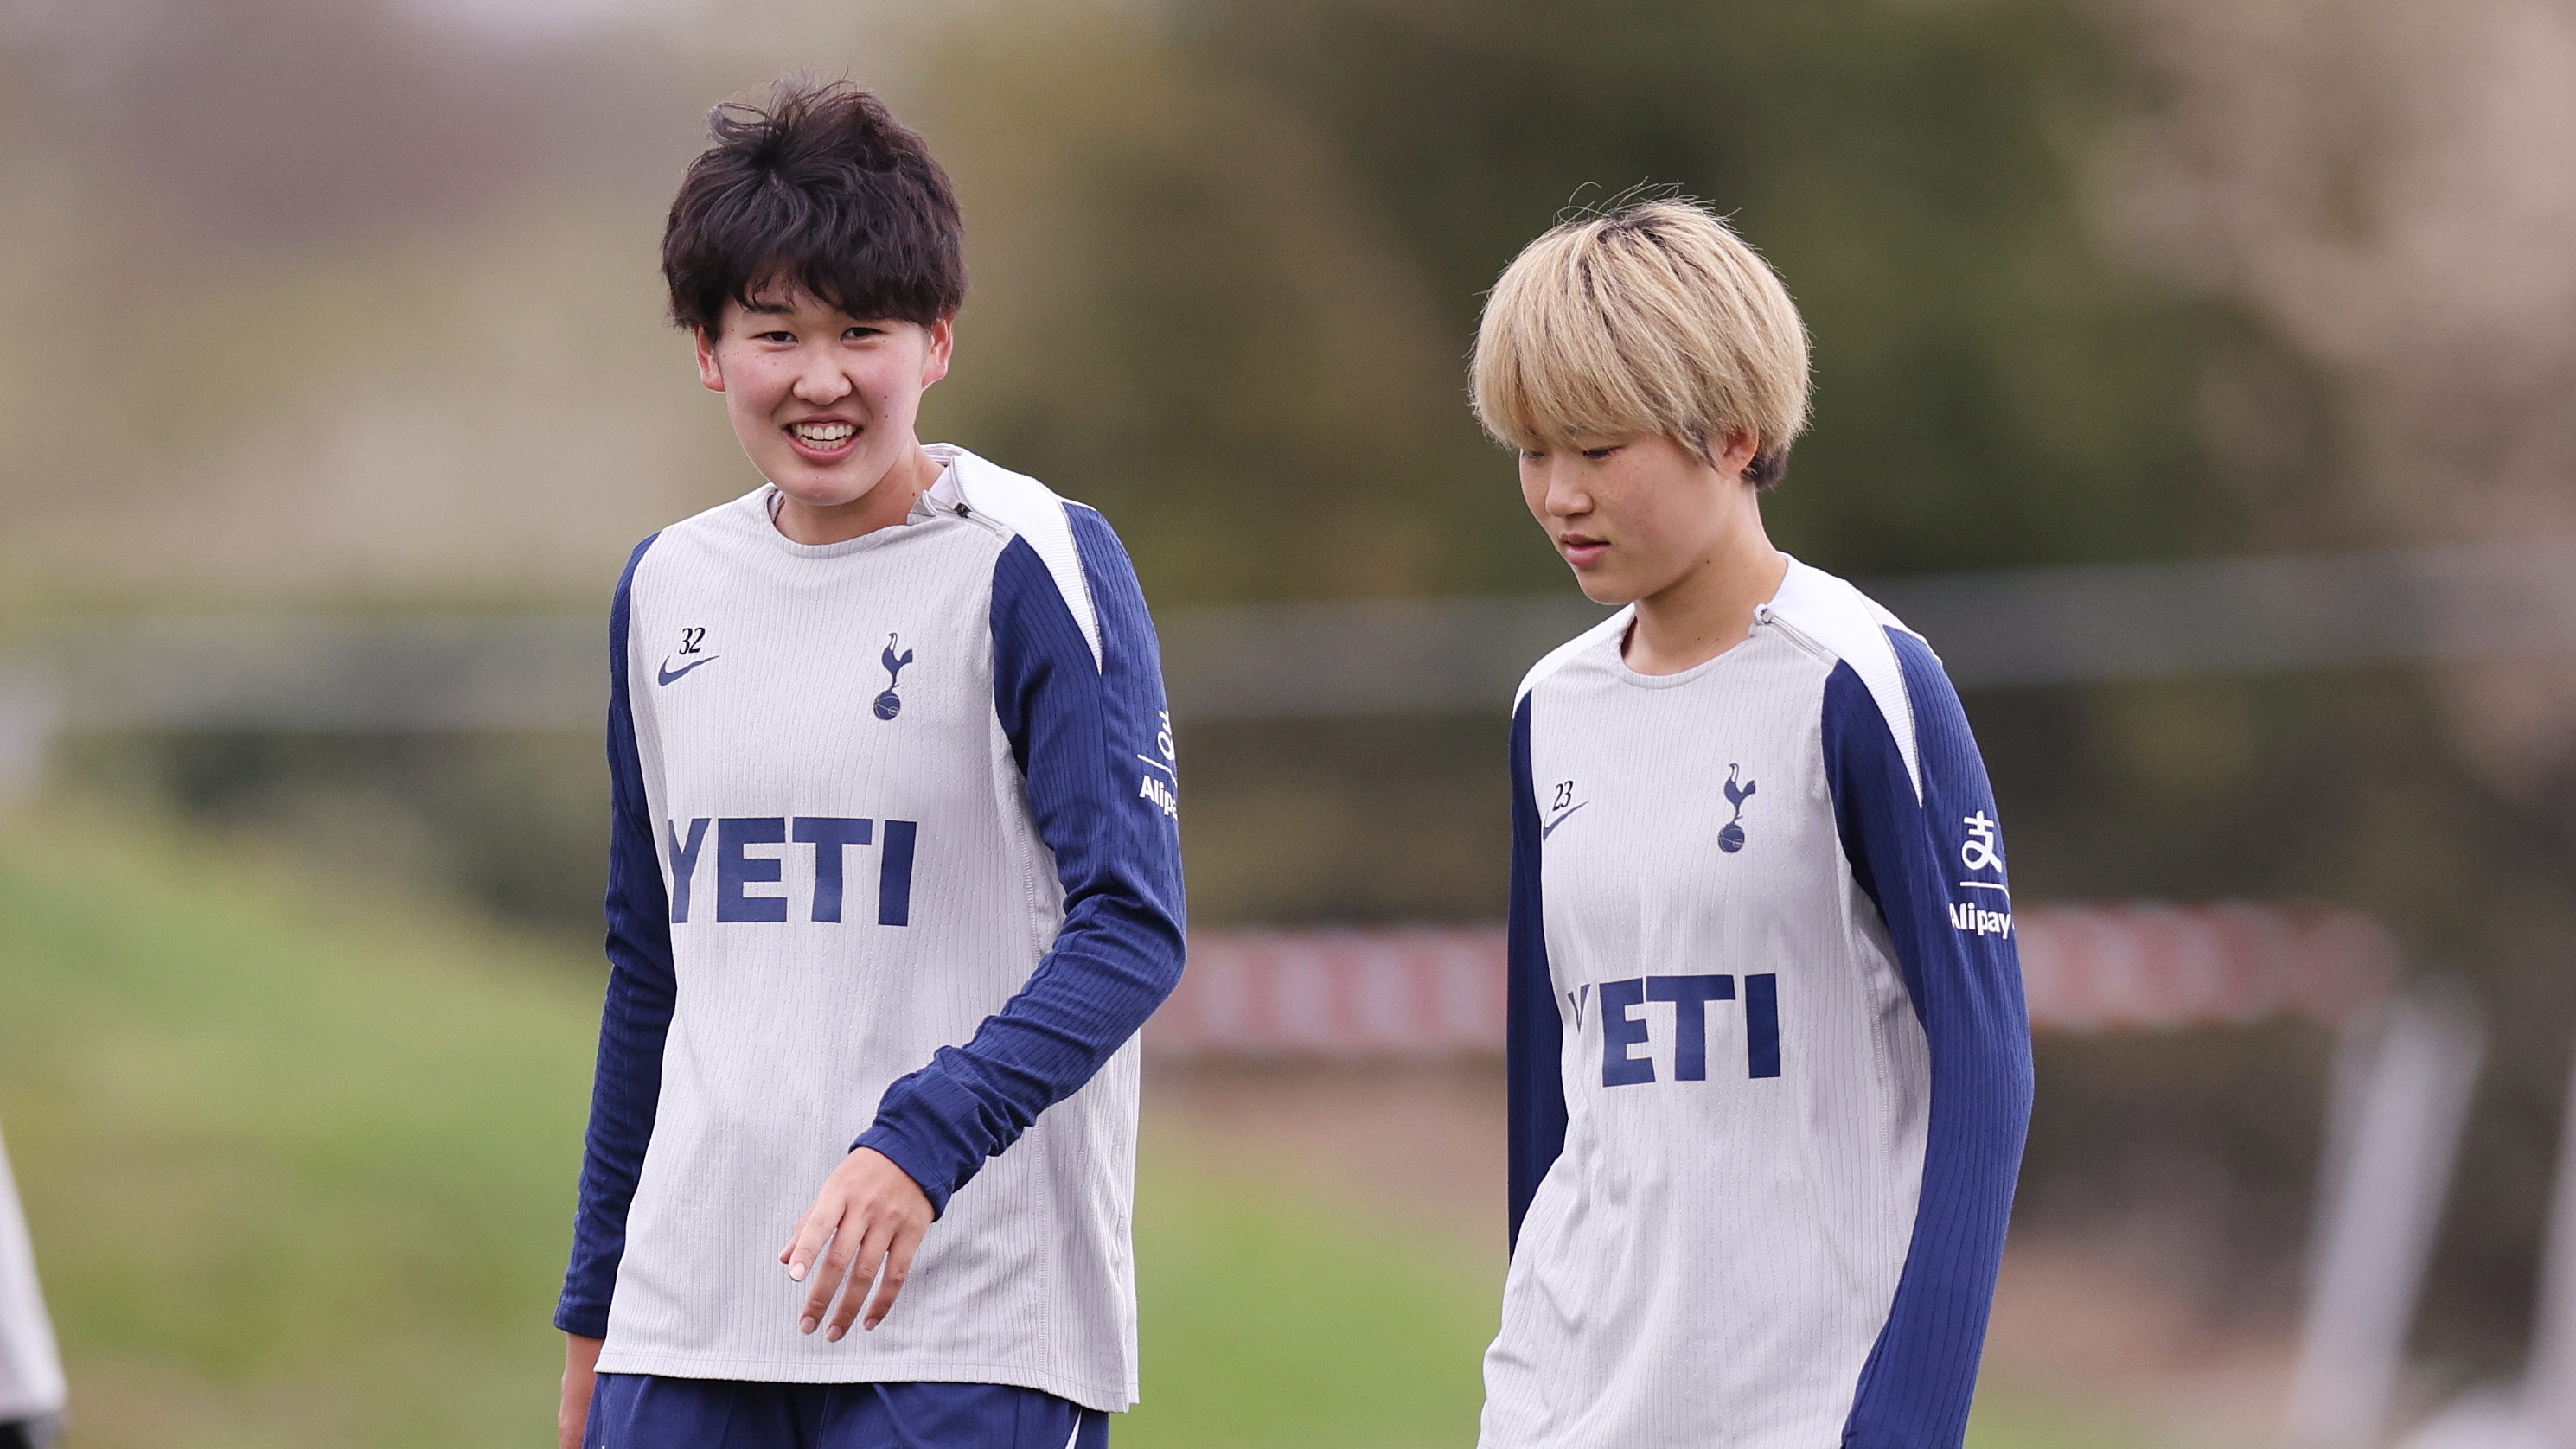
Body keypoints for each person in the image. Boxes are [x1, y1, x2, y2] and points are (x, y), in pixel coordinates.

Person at [553, 78, 1186, 1449]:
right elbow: (651, 968)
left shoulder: (1035, 560)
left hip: (970, 1329)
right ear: (709, 348)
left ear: (937, 340)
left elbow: (1133, 927)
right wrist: (599, 1307)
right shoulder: (665, 587)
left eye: (864, 332)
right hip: (687, 1324)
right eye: (776, 333)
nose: (822, 379)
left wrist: (921, 1141)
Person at [1468, 198, 2034, 1449]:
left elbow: (1989, 1064)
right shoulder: (1548, 710)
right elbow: (1550, 1090)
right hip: (1561, 1409)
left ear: (1734, 433)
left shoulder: (1862, 683)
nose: (1559, 494)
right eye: (1531, 450)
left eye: (1597, 447)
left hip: (1803, 1412)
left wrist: (1911, 1417)